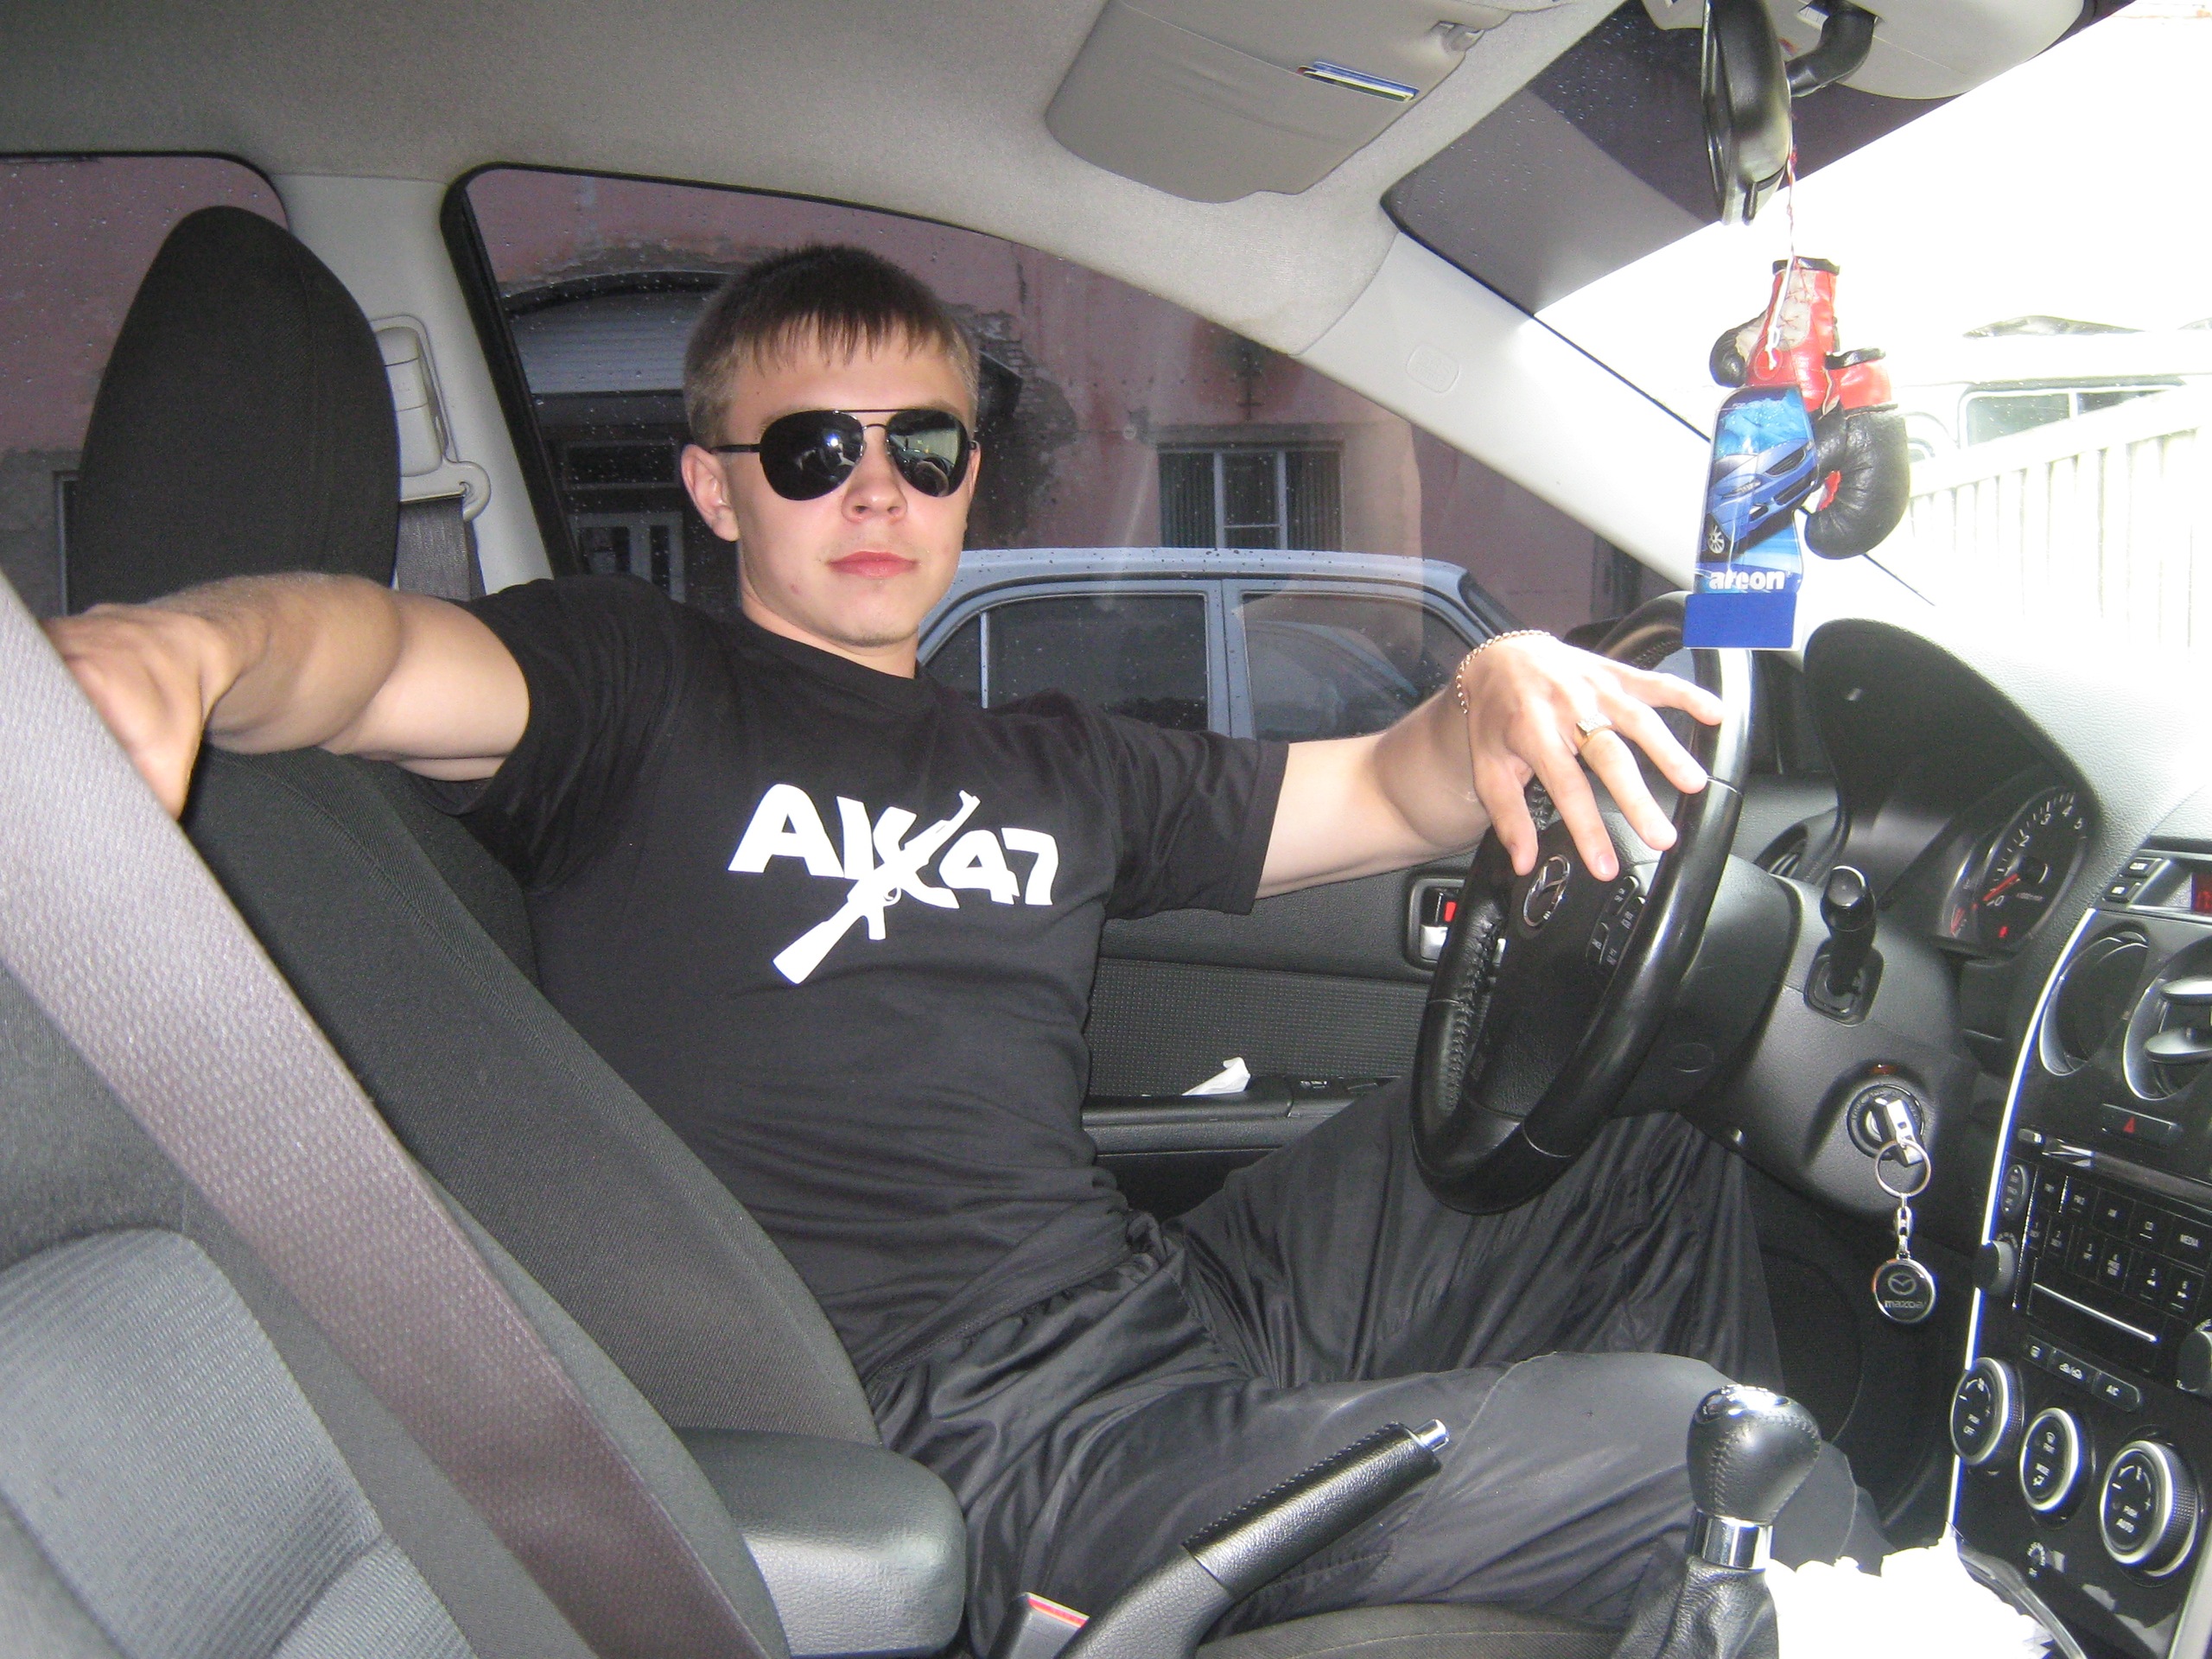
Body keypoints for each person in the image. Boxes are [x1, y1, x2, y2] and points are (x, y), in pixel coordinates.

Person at [48, 244, 1878, 1643]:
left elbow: (1395, 790)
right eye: (811, 449)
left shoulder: (1052, 758)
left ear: (965, 474)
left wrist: (1493, 685)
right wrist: (184, 648)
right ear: (715, 489)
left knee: (1632, 1146)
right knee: (1690, 1453)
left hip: (1158, 1313)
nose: (874, 492)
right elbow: (371, 656)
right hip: (980, 1447)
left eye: (920, 448)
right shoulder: (629, 686)